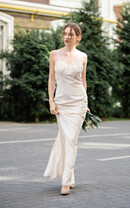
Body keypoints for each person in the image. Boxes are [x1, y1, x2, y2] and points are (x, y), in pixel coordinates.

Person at [44, 22, 88, 195]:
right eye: (65, 33)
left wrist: (86, 105)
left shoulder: (83, 56)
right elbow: (51, 80)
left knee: (72, 139)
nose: (67, 37)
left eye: (71, 34)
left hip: (79, 103)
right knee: (66, 138)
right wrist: (51, 101)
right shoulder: (54, 55)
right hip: (62, 103)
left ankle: (65, 182)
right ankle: (71, 177)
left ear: (78, 37)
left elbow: (83, 81)